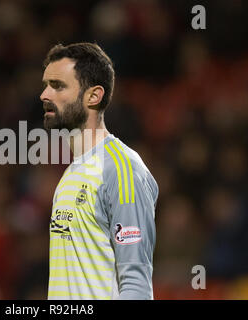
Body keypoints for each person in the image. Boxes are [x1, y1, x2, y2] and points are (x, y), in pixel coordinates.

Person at [40, 43, 158, 300]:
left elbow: (136, 284)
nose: (44, 94)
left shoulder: (121, 168)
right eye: (46, 84)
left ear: (93, 96)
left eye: (58, 85)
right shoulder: (72, 172)